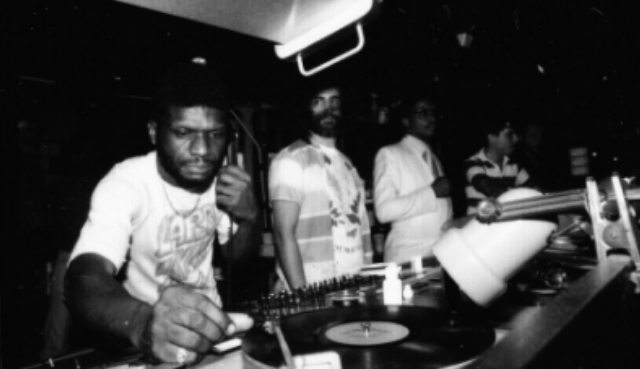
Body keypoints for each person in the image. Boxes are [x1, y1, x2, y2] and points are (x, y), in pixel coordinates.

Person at [64, 63, 258, 365]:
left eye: (215, 134)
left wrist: (248, 218)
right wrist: (143, 324)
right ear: (155, 132)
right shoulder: (127, 183)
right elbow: (83, 278)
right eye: (184, 132)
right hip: (148, 341)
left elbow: (237, 260)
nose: (203, 150)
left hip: (213, 333)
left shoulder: (222, 179)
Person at [268, 83, 372, 290]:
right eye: (319, 101)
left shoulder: (348, 164)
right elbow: (282, 235)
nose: (329, 108)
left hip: (352, 289)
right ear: (305, 108)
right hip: (310, 292)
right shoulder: (290, 159)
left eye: (335, 101)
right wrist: (303, 297)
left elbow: (362, 232)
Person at [373, 94, 452, 264]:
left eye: (433, 112)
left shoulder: (434, 158)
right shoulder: (390, 154)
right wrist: (432, 192)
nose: (431, 118)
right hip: (408, 261)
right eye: (423, 112)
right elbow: (384, 211)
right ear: (406, 120)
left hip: (440, 258)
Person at [464, 119, 531, 214]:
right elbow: (490, 189)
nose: (516, 139)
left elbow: (535, 190)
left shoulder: (514, 165)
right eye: (509, 134)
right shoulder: (474, 163)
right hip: (479, 226)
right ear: (492, 137)